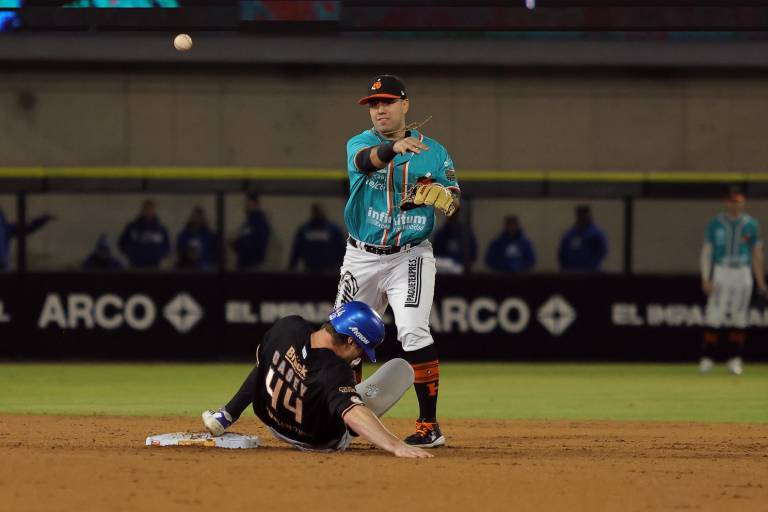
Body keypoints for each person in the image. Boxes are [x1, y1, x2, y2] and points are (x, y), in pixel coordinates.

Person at [337, 75, 460, 448]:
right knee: (343, 335)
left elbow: (453, 198)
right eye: (374, 104)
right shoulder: (359, 143)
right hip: (361, 255)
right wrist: (393, 150)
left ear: (405, 105)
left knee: (412, 332)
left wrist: (442, 197)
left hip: (410, 255)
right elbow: (365, 161)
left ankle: (429, 426)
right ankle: (347, 414)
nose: (380, 110)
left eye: (387, 102)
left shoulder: (435, 152)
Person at [202, 301, 431, 458]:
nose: (360, 355)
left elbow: (261, 359)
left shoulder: (288, 327)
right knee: (400, 371)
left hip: (272, 421)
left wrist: (295, 371)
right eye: (362, 349)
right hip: (317, 441)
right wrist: (396, 446)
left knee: (267, 361)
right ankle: (351, 397)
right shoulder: (335, 370)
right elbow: (353, 414)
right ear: (351, 341)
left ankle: (225, 415)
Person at [699, 189, 766, 376]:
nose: (734, 205)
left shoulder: (751, 225)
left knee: (739, 315)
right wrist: (706, 277)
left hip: (742, 272)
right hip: (722, 270)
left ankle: (734, 359)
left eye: (738, 201)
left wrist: (761, 282)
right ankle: (708, 358)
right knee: (715, 314)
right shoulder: (715, 224)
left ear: (743, 203)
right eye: (731, 201)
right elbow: (707, 251)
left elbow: (757, 254)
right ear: (726, 202)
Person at [288, 203, 346, 273]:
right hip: (310, 269)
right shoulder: (305, 229)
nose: (317, 213)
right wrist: (291, 267)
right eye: (315, 211)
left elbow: (342, 249)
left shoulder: (333, 229)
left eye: (319, 210)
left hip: (329, 269)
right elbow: (297, 249)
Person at [118, 200, 170, 268]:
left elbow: (167, 246)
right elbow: (122, 243)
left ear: (154, 211)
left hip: (154, 265)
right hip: (135, 264)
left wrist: (158, 255)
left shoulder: (160, 229)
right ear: (142, 210)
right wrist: (132, 254)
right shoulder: (132, 227)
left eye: (150, 210)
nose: (148, 212)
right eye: (146, 209)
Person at [0, 206, 54, 271]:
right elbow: (27, 227)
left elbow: (26, 227)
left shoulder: (5, 228)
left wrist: (42, 220)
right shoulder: (5, 227)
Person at [558, 205, 608, 272]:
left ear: (588, 215)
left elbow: (602, 251)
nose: (582, 217)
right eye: (580, 215)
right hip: (571, 272)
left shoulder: (595, 234)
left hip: (590, 272)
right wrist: (565, 267)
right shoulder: (570, 234)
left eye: (584, 214)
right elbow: (562, 252)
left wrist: (592, 264)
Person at [232, 193, 271, 269]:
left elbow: (258, 246)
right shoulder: (247, 224)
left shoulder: (260, 223)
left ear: (254, 204)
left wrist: (237, 243)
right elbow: (242, 243)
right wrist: (234, 243)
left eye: (247, 202)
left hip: (252, 266)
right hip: (244, 265)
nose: (245, 206)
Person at [176, 206, 216, 270]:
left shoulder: (210, 235)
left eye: (199, 216)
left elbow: (214, 253)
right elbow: (179, 250)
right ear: (191, 218)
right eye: (194, 216)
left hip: (206, 268)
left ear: (203, 218)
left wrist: (208, 262)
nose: (197, 219)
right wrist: (188, 255)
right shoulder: (184, 235)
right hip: (187, 267)